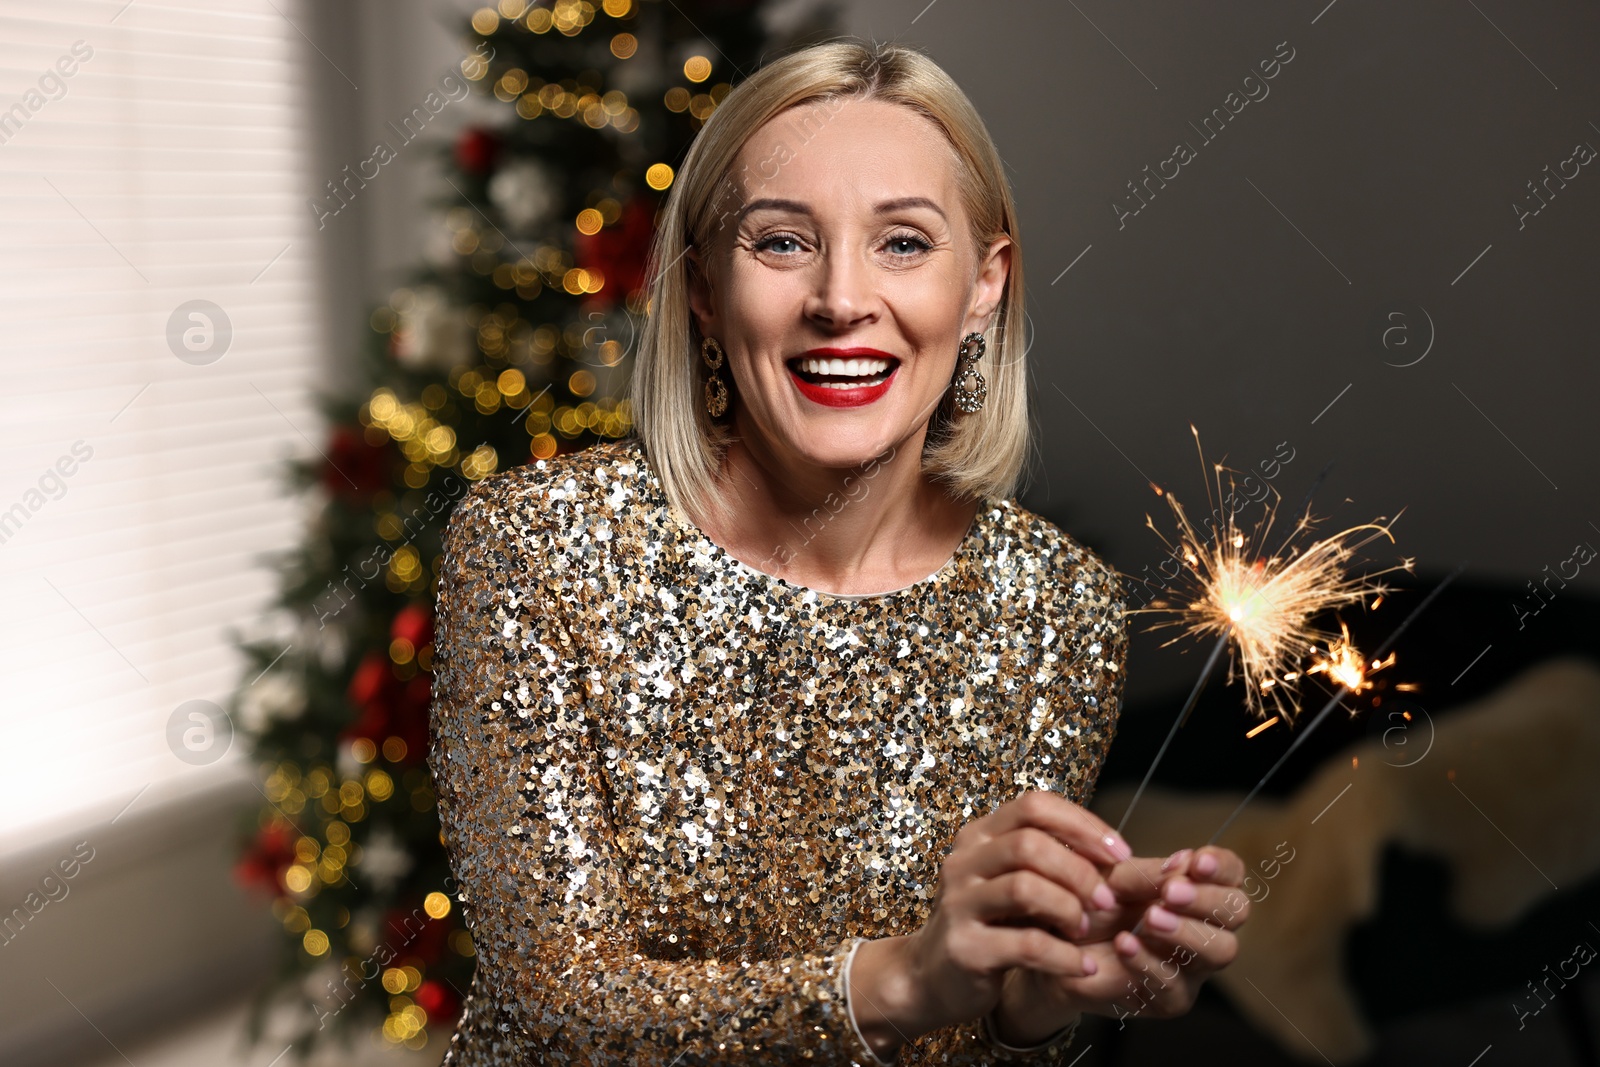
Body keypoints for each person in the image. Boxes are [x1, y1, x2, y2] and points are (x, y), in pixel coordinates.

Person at [429, 39, 1250, 1066]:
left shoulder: (1058, 606)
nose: (840, 299)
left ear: (984, 285)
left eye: (903, 242)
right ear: (700, 286)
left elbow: (988, 1040)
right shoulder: (535, 550)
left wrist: (1036, 1000)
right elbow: (561, 1005)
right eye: (780, 242)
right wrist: (902, 975)